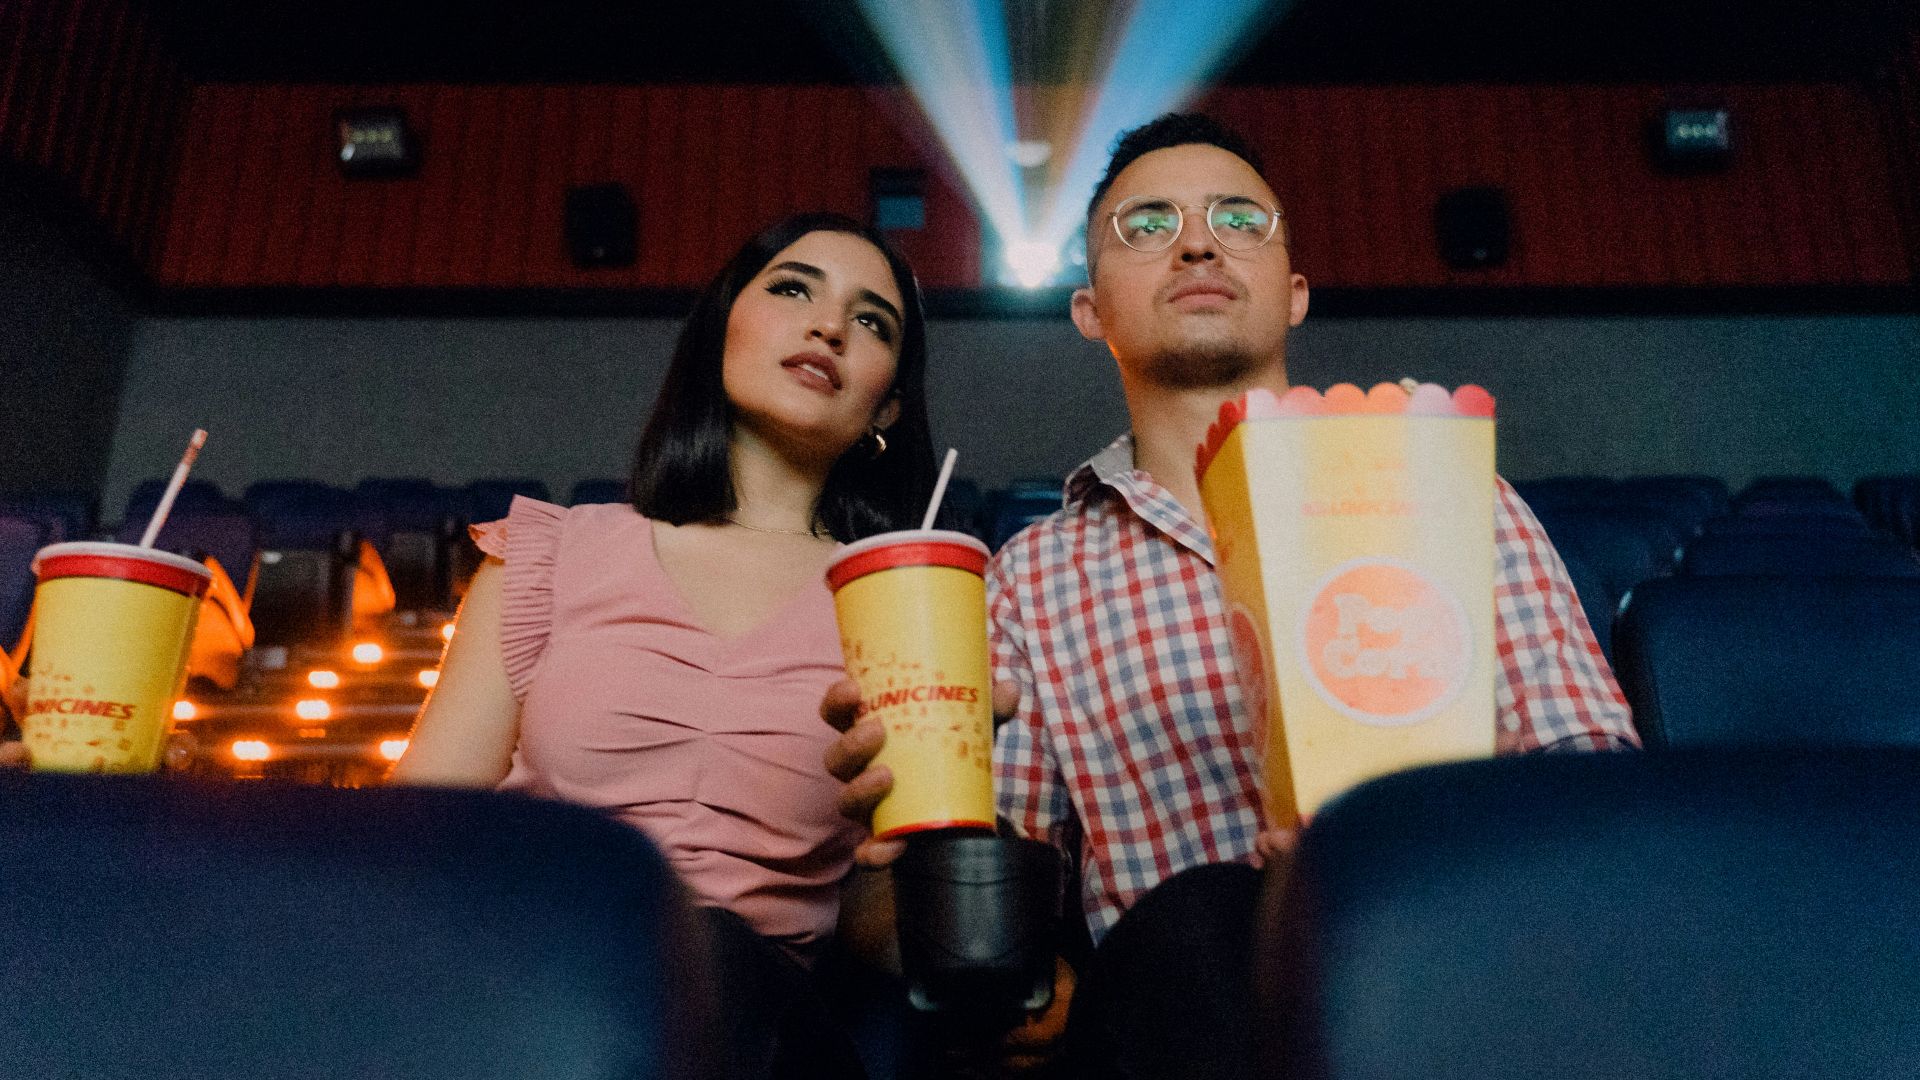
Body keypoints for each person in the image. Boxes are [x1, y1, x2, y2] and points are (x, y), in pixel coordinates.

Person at [823, 114, 1638, 1078]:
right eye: (1149, 224)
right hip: (1193, 1002)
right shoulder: (1031, 580)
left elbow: (1601, 797)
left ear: (1293, 294)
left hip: (1459, 960)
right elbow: (998, 896)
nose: (1200, 241)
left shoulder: (1457, 495)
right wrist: (908, 848)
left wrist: (1429, 829)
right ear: (1089, 309)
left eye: (1239, 218)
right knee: (1204, 915)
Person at [397, 211, 937, 1080]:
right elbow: (422, 833)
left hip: (760, 1017)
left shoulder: (903, 606)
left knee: (711, 957)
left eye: (872, 321)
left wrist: (928, 841)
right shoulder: (553, 554)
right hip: (533, 978)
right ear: (723, 327)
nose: (829, 326)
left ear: (889, 403)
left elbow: (881, 931)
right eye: (794, 289)